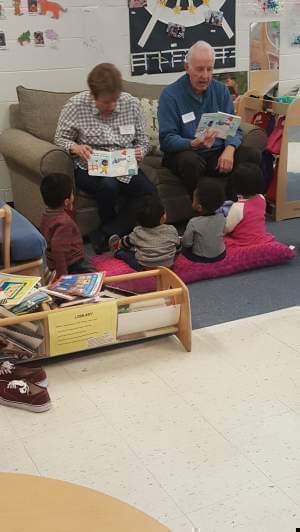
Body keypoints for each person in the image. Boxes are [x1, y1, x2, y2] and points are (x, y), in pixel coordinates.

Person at [54, 63, 157, 253]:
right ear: (93, 96)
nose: (112, 106)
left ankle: (106, 233)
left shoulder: (131, 103)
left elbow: (144, 141)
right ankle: (112, 233)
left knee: (148, 193)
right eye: (106, 102)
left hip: (123, 164)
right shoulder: (75, 105)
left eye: (115, 100)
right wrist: (76, 147)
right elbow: (59, 138)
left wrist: (140, 151)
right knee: (109, 185)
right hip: (90, 166)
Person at [158, 40, 260, 199]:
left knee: (252, 154)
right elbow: (166, 139)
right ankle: (201, 205)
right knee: (189, 161)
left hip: (215, 153)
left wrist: (229, 149)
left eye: (209, 69)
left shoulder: (221, 91)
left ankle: (234, 203)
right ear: (187, 68)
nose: (205, 75)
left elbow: (234, 129)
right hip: (187, 153)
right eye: (199, 69)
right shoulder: (170, 95)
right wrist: (192, 143)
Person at [40, 173, 94, 277]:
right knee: (97, 279)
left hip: (53, 262)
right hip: (74, 263)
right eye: (72, 193)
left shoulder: (47, 215)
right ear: (66, 201)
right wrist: (62, 275)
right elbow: (58, 250)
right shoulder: (64, 223)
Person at [108, 195, 180, 270]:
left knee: (125, 253)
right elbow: (178, 246)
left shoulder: (137, 232)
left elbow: (125, 243)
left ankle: (117, 251)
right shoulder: (171, 230)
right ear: (162, 218)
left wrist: (120, 243)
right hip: (168, 267)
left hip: (145, 267)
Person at [225, 163, 274, 248]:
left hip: (242, 242)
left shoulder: (237, 207)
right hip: (259, 238)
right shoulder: (261, 198)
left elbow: (226, 228)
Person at [182, 178, 226, 262]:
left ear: (199, 207)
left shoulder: (193, 222)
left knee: (183, 250)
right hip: (221, 254)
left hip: (201, 258)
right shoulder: (222, 217)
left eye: (193, 199)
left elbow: (187, 243)